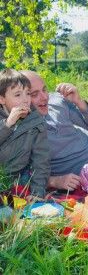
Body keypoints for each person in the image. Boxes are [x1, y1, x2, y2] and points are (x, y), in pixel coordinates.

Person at [0, 69, 50, 198]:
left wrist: (37, 193)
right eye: (17, 95)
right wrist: (7, 125)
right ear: (2, 99)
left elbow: (41, 161)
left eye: (28, 94)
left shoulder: (36, 122)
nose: (25, 100)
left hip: (16, 179)